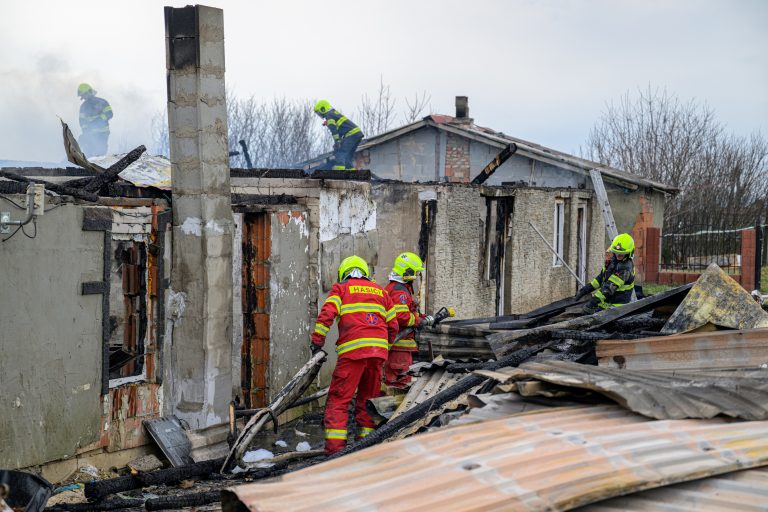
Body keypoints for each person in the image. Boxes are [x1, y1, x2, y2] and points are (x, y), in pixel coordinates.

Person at [311, 255, 398, 454]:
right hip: (377, 355)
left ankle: (335, 452)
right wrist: (383, 347)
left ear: (343, 273)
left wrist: (317, 342)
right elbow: (393, 325)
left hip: (353, 354)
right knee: (368, 400)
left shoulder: (341, 289)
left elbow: (326, 315)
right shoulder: (381, 291)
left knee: (339, 400)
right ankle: (365, 447)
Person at [383, 252, 434, 388]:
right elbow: (400, 316)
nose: (416, 276)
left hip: (397, 345)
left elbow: (407, 311)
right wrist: (418, 321)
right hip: (399, 346)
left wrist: (422, 317)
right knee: (399, 382)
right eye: (415, 272)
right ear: (407, 272)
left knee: (395, 380)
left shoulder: (395, 288)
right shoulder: (399, 291)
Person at [575, 233, 636, 313]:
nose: (618, 255)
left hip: (618, 309)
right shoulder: (613, 262)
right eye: (616, 252)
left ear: (629, 253)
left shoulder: (625, 269)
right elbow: (600, 279)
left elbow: (608, 288)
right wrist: (585, 289)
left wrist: (592, 303)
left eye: (621, 254)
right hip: (606, 304)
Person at [313, 100, 363, 171]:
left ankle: (340, 173)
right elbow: (341, 129)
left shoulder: (329, 115)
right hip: (356, 134)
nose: (319, 115)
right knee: (347, 157)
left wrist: (337, 141)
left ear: (323, 109)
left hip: (351, 134)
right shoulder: (333, 113)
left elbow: (334, 130)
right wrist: (339, 141)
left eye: (319, 112)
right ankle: (352, 174)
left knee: (340, 154)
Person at [77, 83, 113, 157]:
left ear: (89, 92)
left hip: (102, 133)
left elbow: (109, 113)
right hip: (90, 134)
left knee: (100, 154)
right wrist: (85, 132)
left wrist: (99, 120)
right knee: (87, 155)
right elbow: (82, 121)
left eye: (84, 95)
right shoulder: (83, 106)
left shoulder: (102, 102)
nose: (84, 98)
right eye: (82, 96)